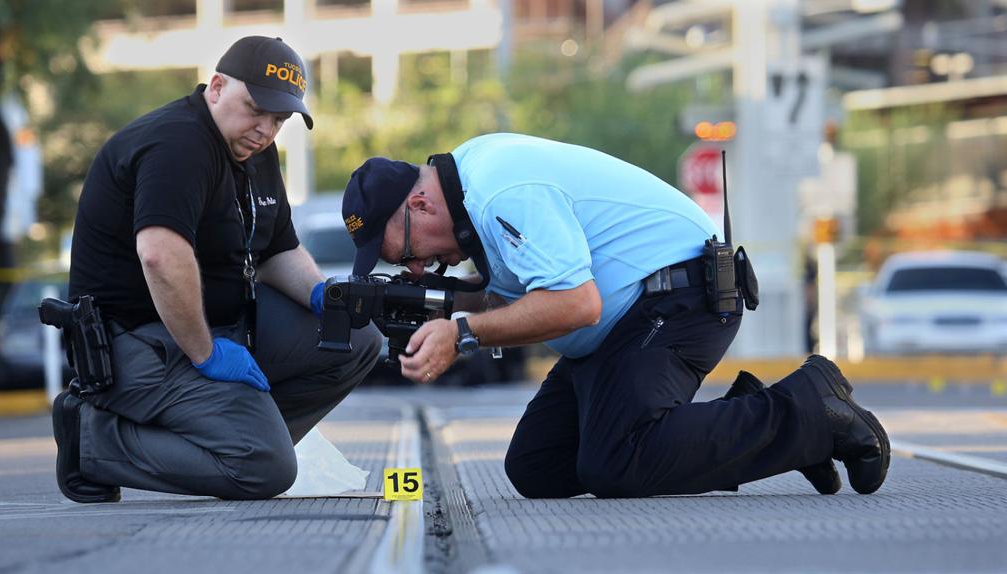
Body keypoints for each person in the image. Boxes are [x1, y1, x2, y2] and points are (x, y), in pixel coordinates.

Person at [341, 133, 890, 498]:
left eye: (408, 254)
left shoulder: (503, 192)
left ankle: (810, 410)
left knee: (617, 462)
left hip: (680, 300)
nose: (421, 265)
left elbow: (576, 304)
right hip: (621, 323)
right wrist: (426, 302)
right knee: (537, 467)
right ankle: (760, 422)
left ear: (418, 205)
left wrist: (461, 333)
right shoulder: (468, 184)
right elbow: (522, 299)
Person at [53, 36, 381, 504]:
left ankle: (242, 436)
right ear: (217, 87)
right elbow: (160, 256)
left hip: (213, 330)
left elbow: (276, 251)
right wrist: (206, 354)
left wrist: (323, 295)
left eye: (279, 119)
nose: (265, 129)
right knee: (264, 468)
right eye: (255, 109)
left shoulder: (252, 150)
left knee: (355, 336)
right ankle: (92, 438)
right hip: (136, 344)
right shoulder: (178, 143)